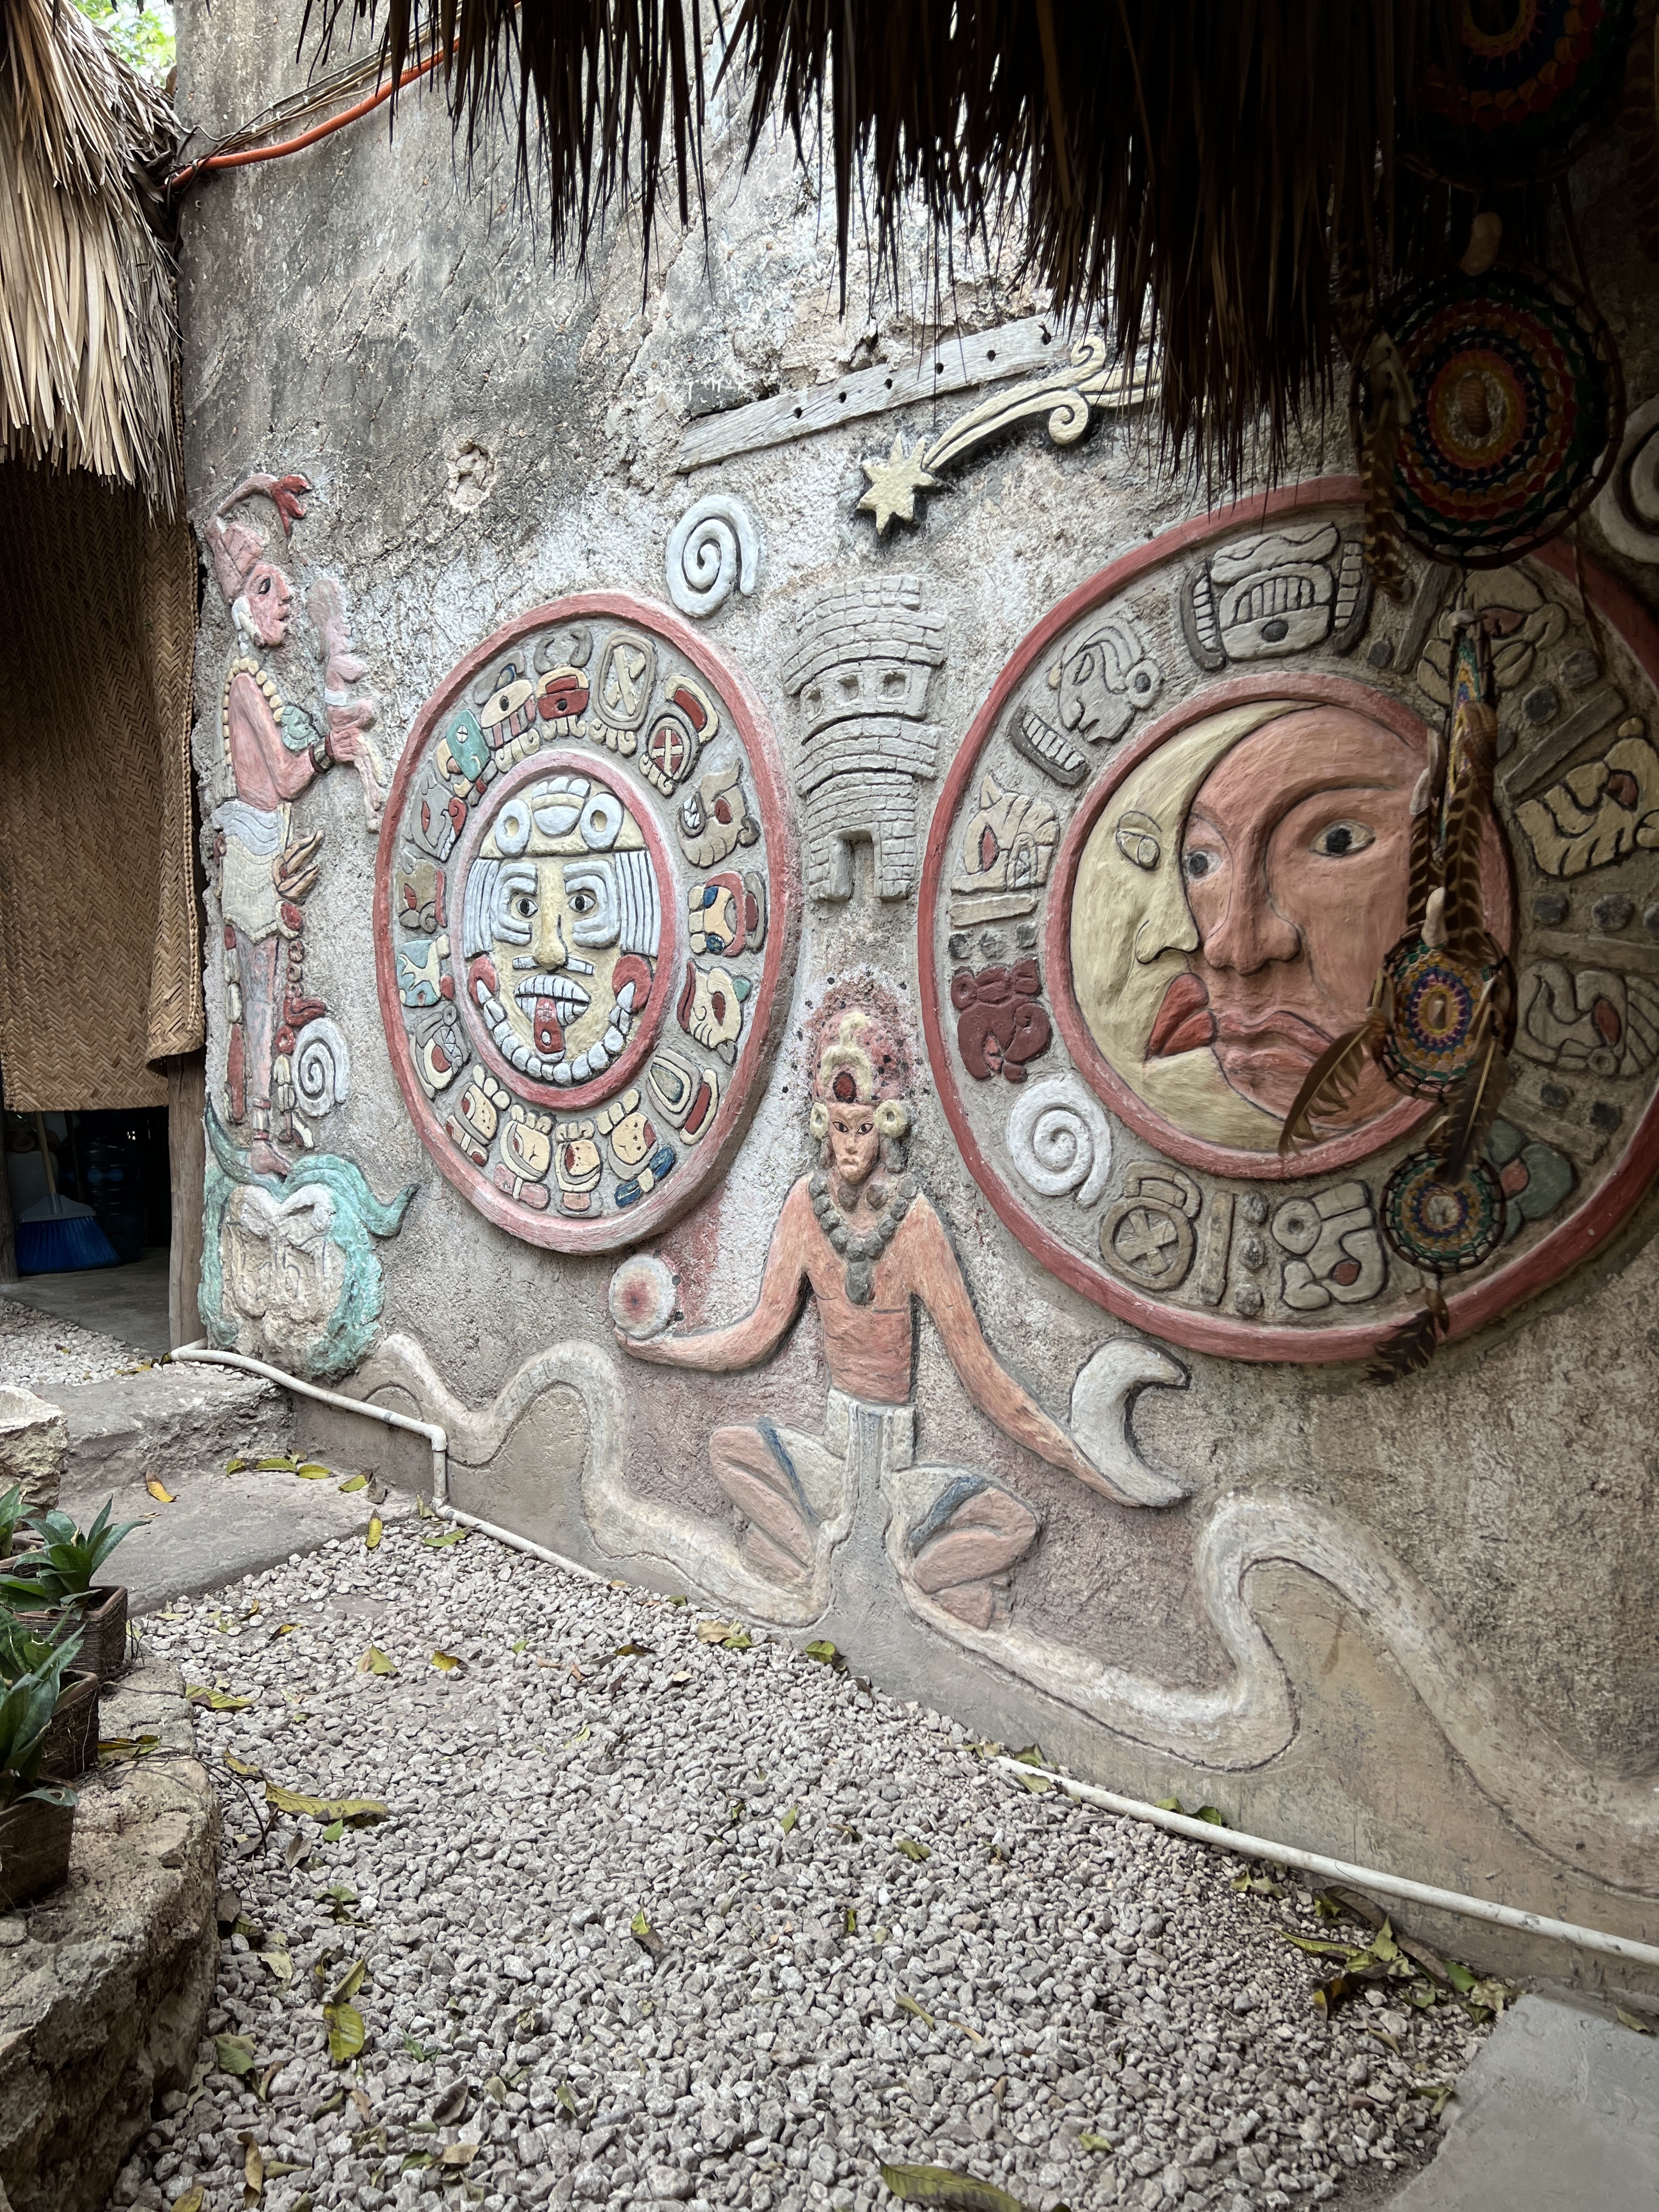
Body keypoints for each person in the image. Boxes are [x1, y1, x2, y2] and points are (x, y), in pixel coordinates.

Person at [618, 993, 1156, 1628]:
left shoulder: (917, 1223)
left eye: (864, 1127)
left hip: (896, 1461)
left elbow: (981, 1376)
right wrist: (665, 1349)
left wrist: (1078, 1462)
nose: (850, 1147)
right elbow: (757, 1336)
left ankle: (871, 1568)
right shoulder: (804, 1207)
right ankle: (844, 1563)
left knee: (1015, 1524)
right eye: (839, 1126)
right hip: (834, 1452)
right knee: (730, 1450)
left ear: (890, 1123)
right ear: (822, 1123)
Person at [204, 474, 382, 1175]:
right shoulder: (245, 682)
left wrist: (252, 487)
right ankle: (258, 1138)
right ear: (243, 607)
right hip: (254, 849)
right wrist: (325, 752)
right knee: (259, 992)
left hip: (265, 844)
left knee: (272, 992)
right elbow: (281, 778)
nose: (282, 606)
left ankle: (267, 1131)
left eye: (281, 590)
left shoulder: (257, 677)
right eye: (267, 591)